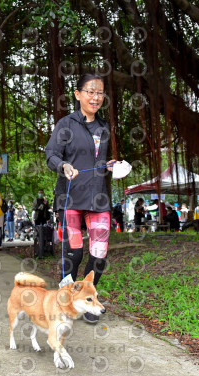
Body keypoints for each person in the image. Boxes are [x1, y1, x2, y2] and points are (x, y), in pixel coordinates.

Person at [45, 73, 120, 324]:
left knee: (99, 254)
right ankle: (67, 302)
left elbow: (97, 162)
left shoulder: (103, 128)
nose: (95, 97)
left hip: (97, 198)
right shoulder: (65, 124)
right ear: (77, 95)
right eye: (90, 91)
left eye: (99, 93)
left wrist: (109, 165)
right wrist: (63, 165)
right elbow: (51, 155)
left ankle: (90, 302)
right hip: (69, 198)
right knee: (73, 253)